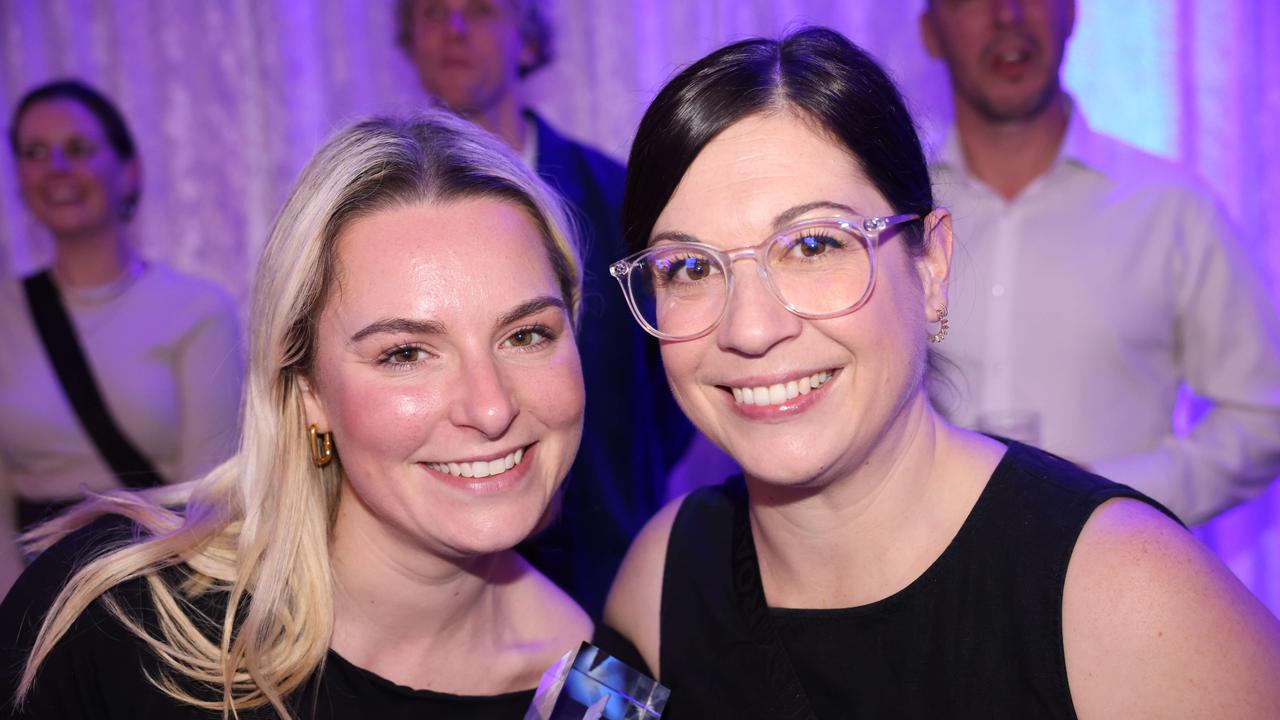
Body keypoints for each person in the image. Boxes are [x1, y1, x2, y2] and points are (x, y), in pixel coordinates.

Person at [602, 27, 1280, 718]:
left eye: (812, 245)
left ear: (931, 268)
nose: (749, 328)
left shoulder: (1125, 593)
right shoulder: (660, 578)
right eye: (688, 268)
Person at [0, 110, 593, 718]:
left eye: (526, 335)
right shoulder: (113, 622)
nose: (491, 407)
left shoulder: (597, 692)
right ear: (307, 388)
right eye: (406, 353)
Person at [919, 0, 1280, 525]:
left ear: (1072, 14)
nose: (1007, 14)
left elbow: (1265, 413)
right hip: (930, 589)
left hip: (1124, 584)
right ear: (931, 32)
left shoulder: (1171, 208)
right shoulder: (899, 218)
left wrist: (1108, 495)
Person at [395, 0, 691, 616]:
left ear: (528, 42)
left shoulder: (614, 195)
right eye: (430, 12)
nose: (453, 30)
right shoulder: (376, 221)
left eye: (478, 11)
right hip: (434, 595)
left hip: (605, 572)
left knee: (611, 714)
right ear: (409, 41)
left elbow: (676, 376)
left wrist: (614, 481)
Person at [0, 80, 243, 595]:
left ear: (128, 171)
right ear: (20, 179)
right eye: (35, 152)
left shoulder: (198, 309)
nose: (57, 168)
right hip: (29, 591)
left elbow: (209, 495)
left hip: (159, 583)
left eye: (79, 149)